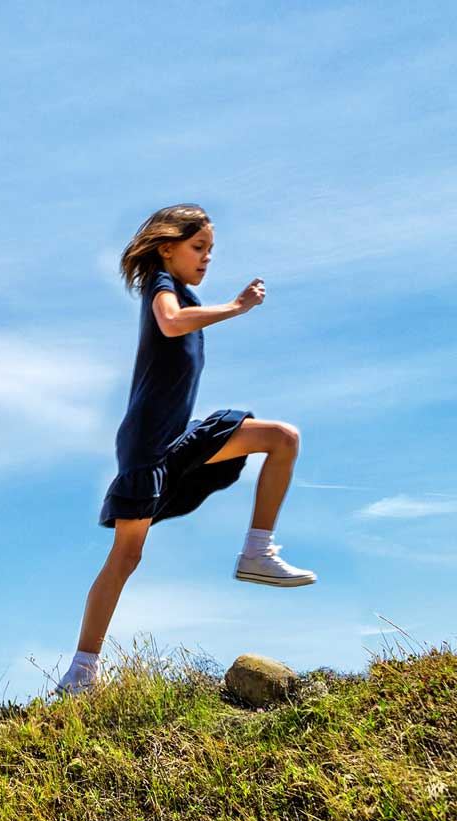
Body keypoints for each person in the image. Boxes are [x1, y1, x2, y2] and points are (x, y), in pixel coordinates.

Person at [59, 204, 314, 695]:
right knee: (126, 556)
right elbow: (172, 323)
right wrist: (236, 307)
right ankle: (82, 672)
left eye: (211, 250)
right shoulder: (162, 286)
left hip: (177, 437)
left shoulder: (184, 292)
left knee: (282, 438)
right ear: (166, 249)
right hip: (147, 443)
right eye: (198, 247)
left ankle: (257, 552)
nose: (207, 258)